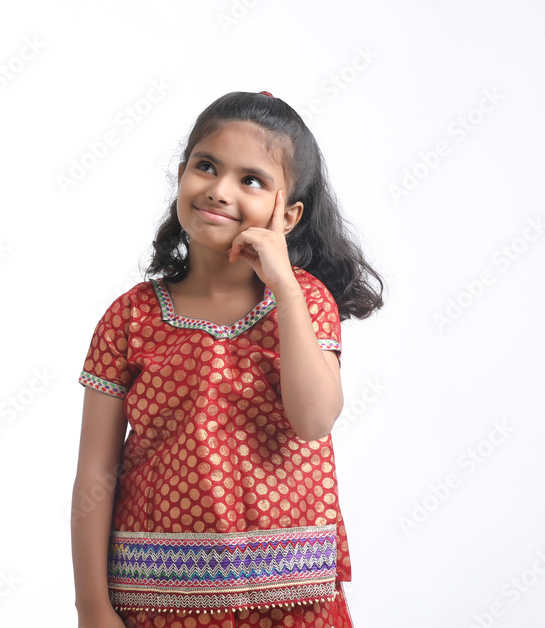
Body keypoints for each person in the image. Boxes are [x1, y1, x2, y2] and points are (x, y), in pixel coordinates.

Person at [70, 91, 385, 628]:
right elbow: (96, 470)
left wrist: (283, 285)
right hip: (157, 600)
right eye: (206, 166)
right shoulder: (131, 318)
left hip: (291, 602)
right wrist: (92, 606)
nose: (218, 190)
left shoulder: (305, 302)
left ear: (287, 215)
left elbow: (314, 421)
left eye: (252, 180)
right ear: (181, 174)